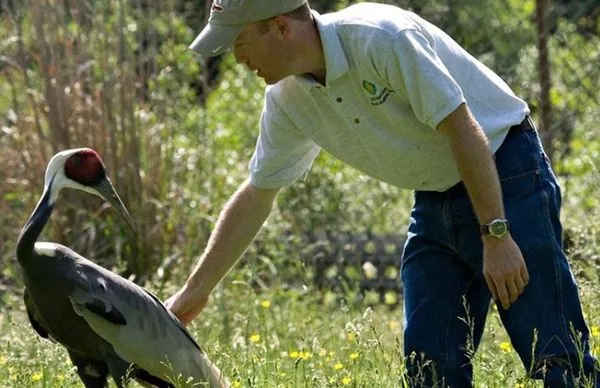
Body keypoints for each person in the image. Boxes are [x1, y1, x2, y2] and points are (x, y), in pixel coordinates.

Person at [165, 0, 600, 386]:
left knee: (556, 351)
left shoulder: (381, 38)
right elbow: (258, 193)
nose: (237, 58)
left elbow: (462, 128)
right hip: (434, 196)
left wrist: (497, 234)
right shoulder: (286, 98)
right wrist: (195, 291)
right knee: (430, 365)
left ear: (280, 27)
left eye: (240, 42)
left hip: (505, 174)